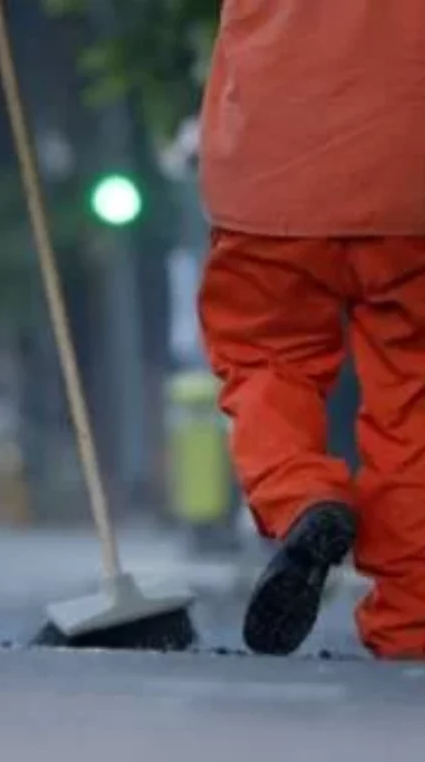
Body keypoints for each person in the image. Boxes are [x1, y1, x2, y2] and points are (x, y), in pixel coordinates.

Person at [197, 1, 425, 658]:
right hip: (409, 171)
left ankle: (301, 497)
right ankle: (412, 624)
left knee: (265, 358)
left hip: (269, 167)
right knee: (412, 400)